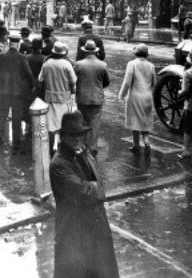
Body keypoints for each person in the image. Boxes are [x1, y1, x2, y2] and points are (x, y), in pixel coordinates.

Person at [49, 111, 120, 278]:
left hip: (96, 229)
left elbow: (96, 182)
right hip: (74, 233)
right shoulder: (59, 164)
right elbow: (85, 192)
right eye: (72, 135)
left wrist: (95, 187)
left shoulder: (83, 152)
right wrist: (96, 188)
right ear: (63, 136)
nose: (77, 139)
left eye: (80, 134)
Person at [0, 32, 34, 151]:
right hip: (17, 92)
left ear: (9, 43)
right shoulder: (21, 57)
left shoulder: (1, 56)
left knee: (2, 114)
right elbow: (29, 74)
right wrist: (30, 86)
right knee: (17, 116)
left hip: (3, 91)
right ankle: (16, 140)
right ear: (18, 44)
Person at [38, 42, 77, 155]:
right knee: (61, 121)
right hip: (64, 97)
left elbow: (40, 79)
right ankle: (58, 144)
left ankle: (52, 146)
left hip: (49, 97)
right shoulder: (67, 64)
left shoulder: (47, 63)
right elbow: (73, 81)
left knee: (51, 122)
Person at [74, 40, 111, 157]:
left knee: (82, 122)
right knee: (94, 124)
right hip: (97, 98)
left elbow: (73, 80)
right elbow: (107, 81)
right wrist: (98, 87)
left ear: (85, 51)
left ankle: (83, 145)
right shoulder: (102, 65)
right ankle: (93, 148)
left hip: (82, 98)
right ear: (95, 52)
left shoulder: (78, 64)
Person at [118, 44, 156, 155]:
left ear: (136, 53)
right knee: (145, 120)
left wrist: (122, 95)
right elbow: (154, 82)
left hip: (135, 96)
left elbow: (127, 82)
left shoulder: (132, 64)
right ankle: (147, 142)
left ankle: (136, 145)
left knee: (135, 120)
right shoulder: (151, 65)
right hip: (147, 95)